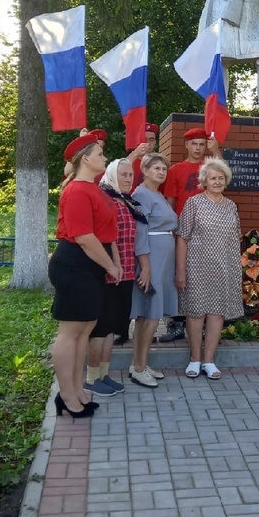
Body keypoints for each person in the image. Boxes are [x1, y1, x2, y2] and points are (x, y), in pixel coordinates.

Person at [48, 130, 120, 419]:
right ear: (85, 159)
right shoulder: (76, 190)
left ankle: (77, 390)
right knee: (70, 332)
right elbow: (83, 237)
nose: (105, 157)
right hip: (76, 264)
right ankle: (65, 395)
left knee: (85, 330)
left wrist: (113, 260)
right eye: (100, 153)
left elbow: (106, 232)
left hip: (90, 263)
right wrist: (110, 266)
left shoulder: (94, 189)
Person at [175, 157, 243, 380]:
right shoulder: (194, 203)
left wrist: (236, 271)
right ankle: (195, 359)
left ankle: (209, 361)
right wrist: (181, 270)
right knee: (195, 313)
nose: (217, 181)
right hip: (196, 268)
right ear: (204, 181)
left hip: (224, 268)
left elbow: (235, 240)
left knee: (217, 313)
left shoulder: (231, 206)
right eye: (212, 178)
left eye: (221, 178)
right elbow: (182, 237)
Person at [83, 158, 143, 398]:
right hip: (109, 274)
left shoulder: (125, 201)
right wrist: (113, 267)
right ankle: (90, 378)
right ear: (111, 175)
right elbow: (107, 238)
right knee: (100, 329)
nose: (128, 178)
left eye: (131, 175)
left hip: (126, 273)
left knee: (112, 329)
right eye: (124, 174)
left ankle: (103, 375)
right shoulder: (106, 199)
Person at [160, 127, 220, 341]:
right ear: (186, 145)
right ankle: (176, 323)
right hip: (182, 230)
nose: (197, 148)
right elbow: (170, 202)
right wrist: (170, 229)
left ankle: (202, 323)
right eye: (194, 143)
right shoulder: (176, 170)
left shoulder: (211, 167)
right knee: (179, 274)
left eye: (202, 144)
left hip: (208, 230)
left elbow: (223, 176)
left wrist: (217, 151)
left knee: (204, 276)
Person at [128, 153, 177, 388]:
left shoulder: (156, 194)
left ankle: (141, 363)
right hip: (152, 259)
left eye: (164, 169)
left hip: (162, 258)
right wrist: (145, 267)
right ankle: (138, 367)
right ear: (144, 171)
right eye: (156, 168)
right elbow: (139, 232)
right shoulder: (141, 195)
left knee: (148, 314)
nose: (161, 172)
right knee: (150, 313)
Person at [128, 121, 160, 188]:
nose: (148, 143)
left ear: (155, 142)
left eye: (151, 139)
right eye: (144, 139)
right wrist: (135, 153)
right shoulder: (131, 161)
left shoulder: (159, 164)